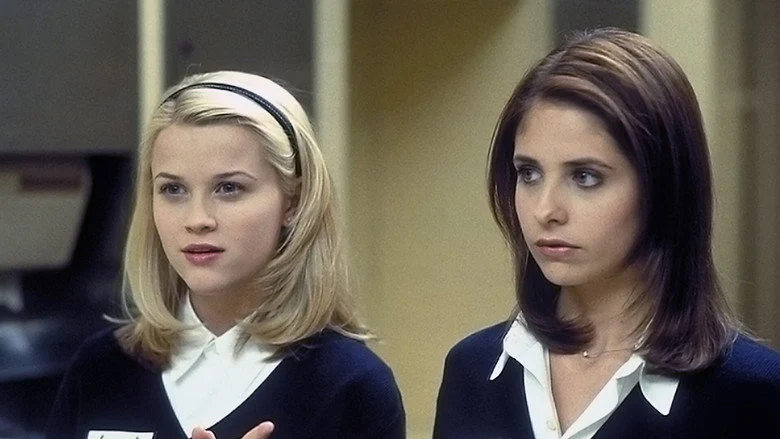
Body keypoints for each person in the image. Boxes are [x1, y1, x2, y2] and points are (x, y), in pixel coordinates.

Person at [433, 28, 780, 438]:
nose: (546, 210)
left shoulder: (752, 394)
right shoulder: (472, 371)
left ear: (664, 186)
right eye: (528, 173)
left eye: (585, 177)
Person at [47, 71, 405, 439]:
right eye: (173, 189)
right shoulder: (100, 369)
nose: (197, 219)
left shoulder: (349, 385)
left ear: (293, 203)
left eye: (229, 188)